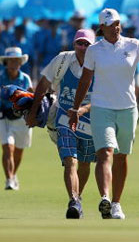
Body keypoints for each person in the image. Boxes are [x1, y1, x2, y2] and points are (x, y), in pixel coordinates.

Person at [69, 8, 139, 220]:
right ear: (102, 28)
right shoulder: (94, 50)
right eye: (111, 25)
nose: (116, 28)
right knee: (105, 153)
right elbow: (85, 81)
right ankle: (105, 197)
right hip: (102, 108)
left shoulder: (133, 45)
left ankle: (116, 204)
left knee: (121, 157)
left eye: (118, 23)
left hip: (128, 109)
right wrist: (75, 109)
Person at [26, 29, 96, 219]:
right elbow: (43, 83)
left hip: (90, 120)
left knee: (84, 162)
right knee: (69, 160)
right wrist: (33, 111)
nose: (83, 47)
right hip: (64, 118)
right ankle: (73, 200)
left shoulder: (100, 62)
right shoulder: (63, 59)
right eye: (79, 43)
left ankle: (78, 198)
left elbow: (103, 96)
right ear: (74, 45)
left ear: (93, 45)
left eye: (87, 44)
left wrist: (83, 109)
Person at [0, 47, 33, 190]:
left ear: (21, 63)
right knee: (8, 148)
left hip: (22, 119)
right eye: (11, 60)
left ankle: (13, 175)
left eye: (17, 60)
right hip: (3, 118)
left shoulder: (26, 79)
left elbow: (33, 98)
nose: (14, 63)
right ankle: (9, 179)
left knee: (19, 150)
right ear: (6, 62)